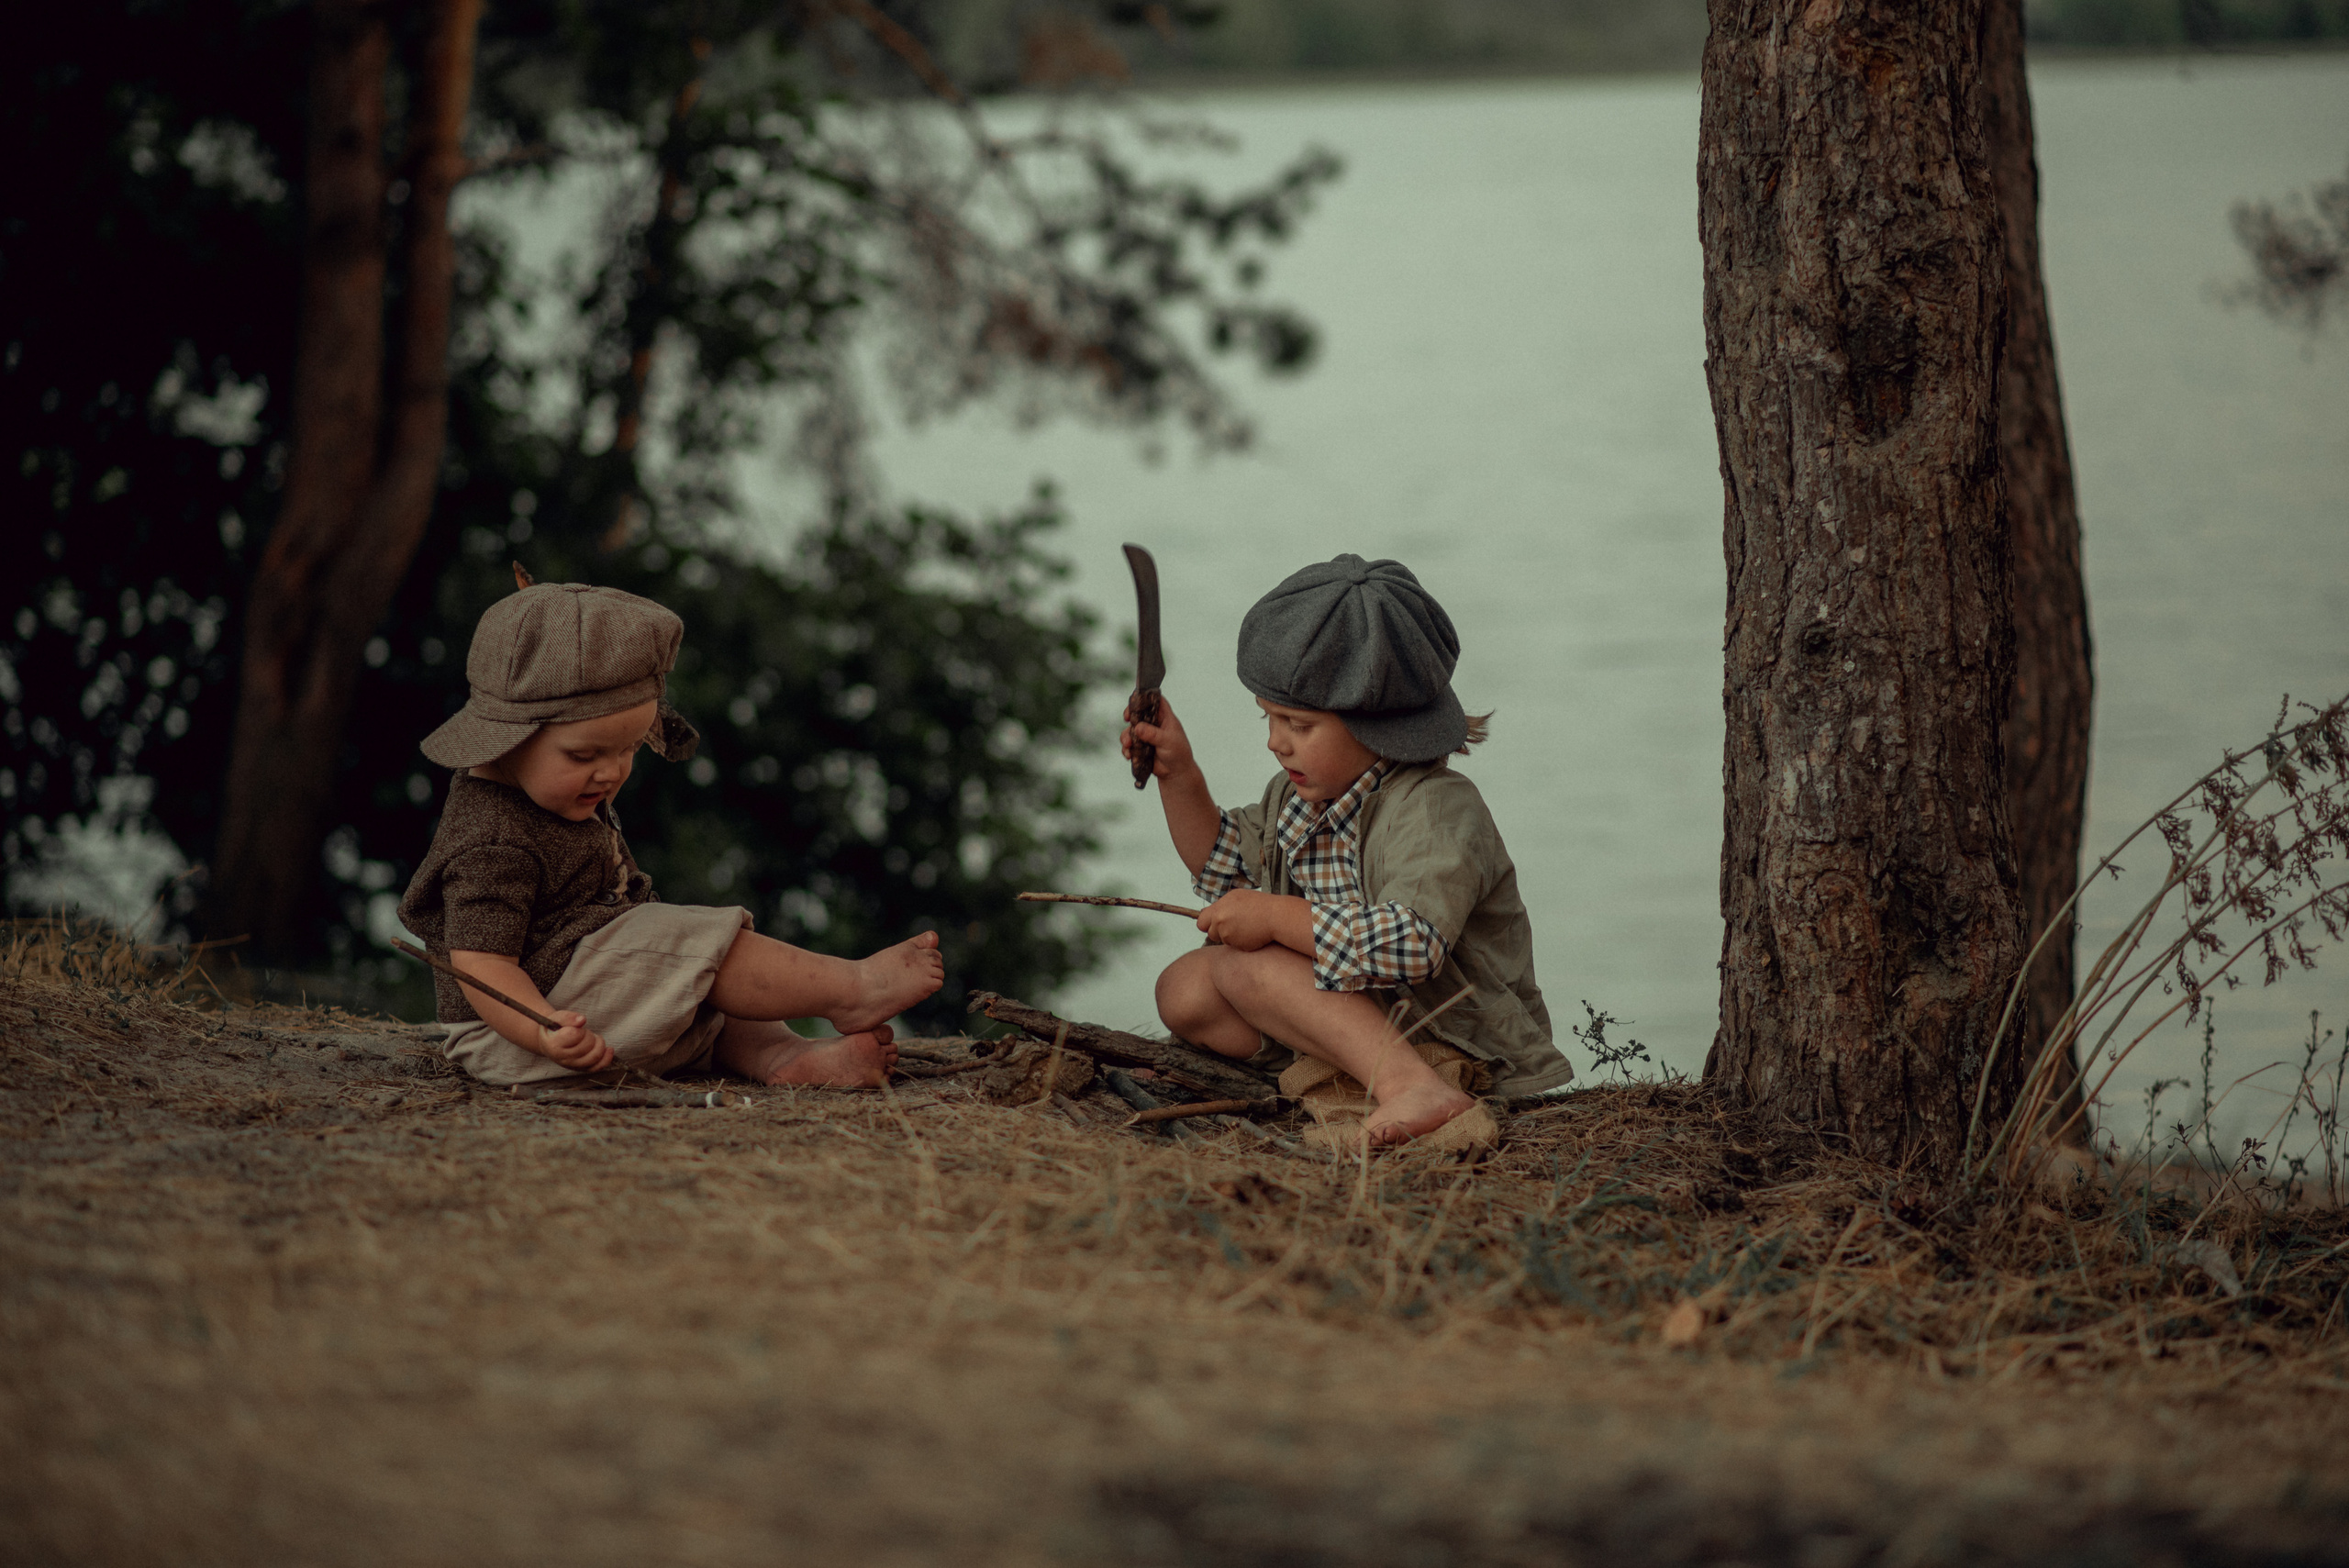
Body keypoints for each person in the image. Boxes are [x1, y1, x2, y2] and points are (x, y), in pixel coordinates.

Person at [397, 579, 943, 1089]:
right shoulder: (491, 842)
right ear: (508, 738)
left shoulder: (552, 788)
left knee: (703, 979)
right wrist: (543, 1028)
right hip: (518, 1031)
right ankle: (852, 991)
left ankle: (783, 1056)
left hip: (596, 998)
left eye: (630, 748)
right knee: (688, 948)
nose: (611, 772)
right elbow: (482, 965)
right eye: (585, 755)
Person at [1122, 553, 1573, 1146]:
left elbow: (1414, 943)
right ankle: (1338, 1070)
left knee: (1245, 965)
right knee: (1185, 989)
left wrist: (1275, 917)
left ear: (1377, 726)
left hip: (1452, 1034)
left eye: (1299, 725)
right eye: (1269, 717)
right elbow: (1225, 867)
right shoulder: (1297, 797)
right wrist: (1179, 775)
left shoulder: (1436, 807)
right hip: (1360, 1015)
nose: (1275, 742)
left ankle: (1420, 1086)